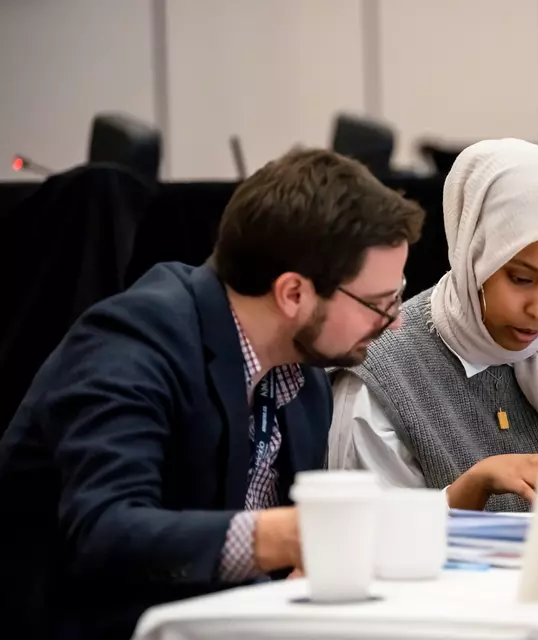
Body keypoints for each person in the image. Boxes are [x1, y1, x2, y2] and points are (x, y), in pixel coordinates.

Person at [0, 149, 425, 639]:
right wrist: (292, 534)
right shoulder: (133, 343)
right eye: (379, 303)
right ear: (293, 294)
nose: (395, 321)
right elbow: (106, 529)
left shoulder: (304, 380)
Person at [328, 138, 538, 512]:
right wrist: (468, 491)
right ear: (473, 256)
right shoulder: (384, 369)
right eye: (521, 279)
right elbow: (365, 531)